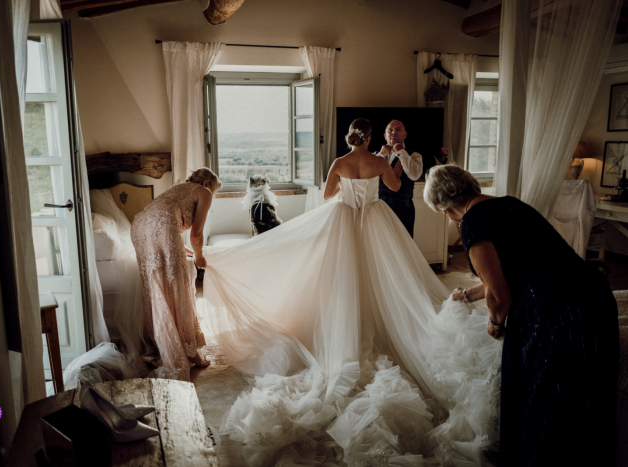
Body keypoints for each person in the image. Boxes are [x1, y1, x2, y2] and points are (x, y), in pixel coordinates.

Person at [201, 120, 503, 466]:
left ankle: (347, 324)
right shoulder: (378, 161)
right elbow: (394, 183)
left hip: (344, 220)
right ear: (372, 138)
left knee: (341, 279)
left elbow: (329, 195)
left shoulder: (339, 163)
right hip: (375, 219)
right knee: (383, 276)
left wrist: (348, 189)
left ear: (349, 137)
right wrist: (384, 165)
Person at [424, 164, 619, 467]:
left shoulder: (471, 221)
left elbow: (500, 294)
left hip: (554, 306)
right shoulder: (510, 204)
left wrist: (495, 323)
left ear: (446, 206)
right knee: (587, 384)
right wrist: (466, 295)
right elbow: (512, 270)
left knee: (548, 392)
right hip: (591, 292)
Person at [130, 168, 221, 382]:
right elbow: (196, 233)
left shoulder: (180, 188)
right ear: (207, 183)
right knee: (177, 284)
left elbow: (167, 227)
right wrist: (199, 258)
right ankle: (190, 351)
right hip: (158, 224)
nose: (212, 194)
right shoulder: (204, 192)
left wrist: (191, 253)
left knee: (156, 287)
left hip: (140, 225)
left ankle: (163, 347)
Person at [376, 120, 423, 237]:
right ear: (385, 136)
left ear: (405, 134)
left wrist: (401, 151)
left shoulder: (414, 155)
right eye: (390, 130)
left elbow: (414, 175)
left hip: (404, 210)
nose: (394, 132)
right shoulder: (376, 156)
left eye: (398, 129)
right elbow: (369, 178)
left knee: (405, 246)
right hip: (380, 209)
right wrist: (381, 155)